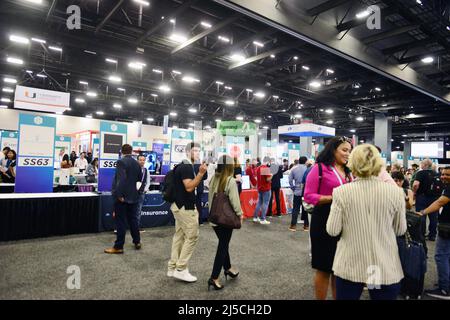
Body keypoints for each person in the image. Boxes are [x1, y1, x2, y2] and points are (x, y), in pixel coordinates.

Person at [326, 144, 406, 300]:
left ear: (352, 162)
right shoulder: (395, 192)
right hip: (381, 265)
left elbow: (332, 230)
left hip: (351, 265)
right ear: (378, 163)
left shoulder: (341, 192)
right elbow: (400, 230)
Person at [304, 136, 353, 300]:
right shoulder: (319, 168)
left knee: (339, 269)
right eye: (344, 150)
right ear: (333, 150)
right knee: (324, 267)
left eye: (349, 151)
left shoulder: (348, 172)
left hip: (344, 222)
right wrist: (334, 197)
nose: (348, 154)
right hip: (323, 219)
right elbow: (309, 196)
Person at [167, 142, 207, 283]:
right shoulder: (186, 167)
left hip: (180, 206)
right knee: (192, 236)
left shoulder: (184, 166)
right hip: (185, 207)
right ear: (187, 152)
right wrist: (201, 174)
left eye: (198, 150)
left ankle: (173, 267)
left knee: (180, 236)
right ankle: (181, 269)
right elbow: (189, 187)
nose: (197, 153)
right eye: (194, 150)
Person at [207, 155, 243, 291]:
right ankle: (214, 277)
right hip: (226, 219)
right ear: (229, 166)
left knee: (223, 243)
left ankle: (228, 268)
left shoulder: (213, 179)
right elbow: (235, 201)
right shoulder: (230, 181)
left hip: (215, 218)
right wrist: (240, 215)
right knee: (222, 246)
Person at [105, 144, 143, 254]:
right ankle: (137, 241)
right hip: (134, 197)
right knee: (133, 220)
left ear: (122, 151)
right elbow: (139, 180)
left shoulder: (121, 162)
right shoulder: (137, 163)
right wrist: (137, 193)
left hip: (122, 198)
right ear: (131, 151)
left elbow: (120, 180)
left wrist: (120, 195)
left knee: (120, 222)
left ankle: (118, 247)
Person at [420, 166, 450, 300]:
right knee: (447, 255)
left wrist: (422, 212)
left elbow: (440, 202)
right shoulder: (446, 186)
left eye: (447, 175)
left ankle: (444, 289)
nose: (444, 177)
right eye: (443, 174)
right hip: (446, 225)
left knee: (440, 255)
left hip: (447, 227)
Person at [413, 159, 439, 241]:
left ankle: (422, 235)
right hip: (434, 198)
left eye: (422, 163)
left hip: (422, 197)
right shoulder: (436, 173)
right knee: (433, 217)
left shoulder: (420, 173)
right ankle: (432, 235)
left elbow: (416, 184)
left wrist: (414, 192)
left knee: (421, 215)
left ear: (425, 165)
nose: (421, 165)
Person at [288, 156, 308, 231]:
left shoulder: (294, 169)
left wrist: (293, 187)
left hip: (297, 191)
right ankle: (306, 226)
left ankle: (293, 226)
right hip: (306, 191)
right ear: (305, 161)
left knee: (295, 209)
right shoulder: (308, 169)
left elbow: (290, 180)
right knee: (305, 209)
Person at [253, 156, 272, 225]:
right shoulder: (265, 168)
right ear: (267, 161)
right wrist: (272, 175)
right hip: (266, 188)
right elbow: (267, 179)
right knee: (265, 203)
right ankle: (263, 218)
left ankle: (255, 217)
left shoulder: (258, 168)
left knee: (259, 203)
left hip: (260, 188)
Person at [136, 155, 150, 233]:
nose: (142, 161)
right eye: (140, 160)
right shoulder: (133, 169)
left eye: (143, 160)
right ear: (137, 160)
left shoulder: (146, 170)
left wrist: (145, 189)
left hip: (141, 193)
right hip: (132, 193)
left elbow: (148, 182)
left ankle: (137, 226)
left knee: (138, 210)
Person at [194, 159, 208, 225]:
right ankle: (200, 221)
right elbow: (205, 177)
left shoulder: (190, 166)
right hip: (199, 187)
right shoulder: (202, 166)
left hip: (192, 187)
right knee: (199, 205)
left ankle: (192, 221)